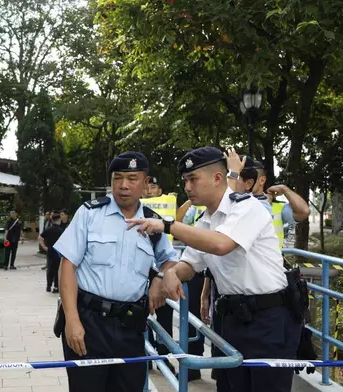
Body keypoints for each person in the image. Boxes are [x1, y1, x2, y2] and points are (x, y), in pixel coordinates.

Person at [126, 146, 302, 392]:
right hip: (233, 319)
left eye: (193, 179)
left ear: (218, 178)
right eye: (185, 180)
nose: (187, 187)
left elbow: (221, 245)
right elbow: (190, 263)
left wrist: (167, 225)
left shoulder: (246, 207)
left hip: (268, 320)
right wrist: (169, 273)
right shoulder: (208, 219)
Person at [53, 151, 178, 392]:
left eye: (132, 178)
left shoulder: (154, 223)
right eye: (117, 178)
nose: (123, 185)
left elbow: (170, 261)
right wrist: (72, 320)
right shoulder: (90, 213)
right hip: (89, 323)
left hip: (129, 327)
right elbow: (67, 266)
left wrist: (160, 277)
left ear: (145, 182)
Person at [38, 212, 64, 293]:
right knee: (57, 269)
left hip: (50, 251)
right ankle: (56, 287)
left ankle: (48, 285)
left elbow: (40, 237)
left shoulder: (48, 229)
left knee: (50, 268)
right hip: (58, 251)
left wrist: (44, 247)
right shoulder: (61, 230)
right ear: (59, 219)